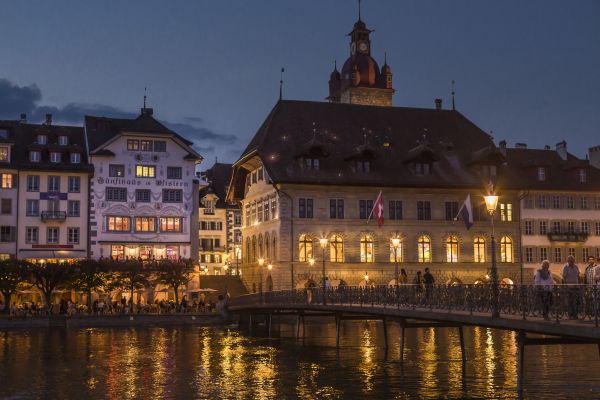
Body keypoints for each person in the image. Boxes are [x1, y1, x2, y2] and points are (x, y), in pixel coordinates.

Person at [562, 255, 581, 319]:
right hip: (569, 287)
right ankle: (571, 315)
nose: (572, 262)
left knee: (576, 301)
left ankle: (575, 314)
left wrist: (579, 284)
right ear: (568, 261)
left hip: (576, 287)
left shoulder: (576, 266)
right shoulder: (566, 267)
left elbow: (578, 275)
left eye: (573, 261)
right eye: (570, 261)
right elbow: (564, 277)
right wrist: (566, 286)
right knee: (570, 301)